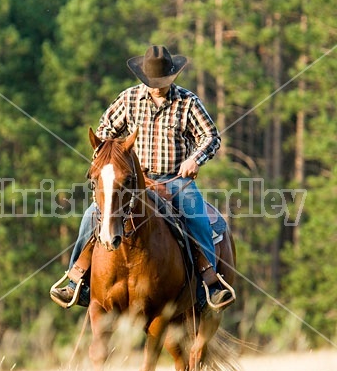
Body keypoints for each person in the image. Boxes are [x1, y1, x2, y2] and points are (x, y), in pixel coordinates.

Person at [50, 45, 234, 311]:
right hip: (135, 182)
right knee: (92, 214)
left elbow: (211, 136)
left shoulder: (188, 102)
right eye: (152, 81)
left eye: (162, 81)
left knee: (196, 216)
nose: (157, 86)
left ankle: (210, 282)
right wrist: (110, 158)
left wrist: (195, 159)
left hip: (175, 180)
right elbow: (103, 132)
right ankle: (75, 278)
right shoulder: (129, 99)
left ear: (172, 76)